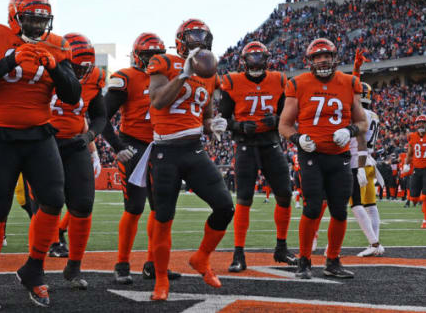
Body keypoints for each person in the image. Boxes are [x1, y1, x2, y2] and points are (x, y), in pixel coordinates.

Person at [0, 0, 81, 310]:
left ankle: (34, 268)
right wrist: (10, 60)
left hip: (39, 134)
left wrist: (55, 67)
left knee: (54, 200)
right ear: (15, 17)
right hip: (0, 135)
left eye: (42, 20)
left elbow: (72, 95)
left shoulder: (57, 44)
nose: (37, 26)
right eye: (31, 18)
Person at [145, 19, 234, 301]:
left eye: (202, 37)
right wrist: (182, 75)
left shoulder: (210, 73)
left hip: (194, 150)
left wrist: (212, 125)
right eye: (192, 37)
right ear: (181, 41)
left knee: (224, 206)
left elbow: (205, 112)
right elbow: (157, 101)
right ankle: (160, 279)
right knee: (164, 218)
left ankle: (202, 258)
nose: (198, 42)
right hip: (164, 152)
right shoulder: (163, 62)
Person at [279, 37, 367, 280]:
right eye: (317, 57)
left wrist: (349, 131)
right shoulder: (297, 83)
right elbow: (284, 125)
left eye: (326, 55)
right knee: (312, 207)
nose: (322, 60)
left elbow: (362, 121)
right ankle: (304, 260)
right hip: (312, 155)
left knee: (340, 210)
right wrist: (298, 139)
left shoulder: (350, 82)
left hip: (339, 157)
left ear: (334, 57)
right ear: (310, 61)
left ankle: (333, 260)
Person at [102, 32, 181, 284]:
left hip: (163, 146)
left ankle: (153, 264)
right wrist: (116, 146)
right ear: (137, 55)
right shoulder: (125, 78)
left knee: (161, 210)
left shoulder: (171, 76)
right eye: (147, 56)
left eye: (157, 56)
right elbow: (102, 116)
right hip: (133, 146)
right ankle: (122, 263)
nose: (151, 61)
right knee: (134, 207)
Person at [219, 41, 297, 273]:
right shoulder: (232, 81)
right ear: (244, 61)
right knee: (244, 199)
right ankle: (238, 253)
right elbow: (222, 120)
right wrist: (240, 126)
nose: (255, 62)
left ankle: (281, 247)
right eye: (251, 58)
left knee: (284, 193)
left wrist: (278, 120)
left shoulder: (279, 80)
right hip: (245, 145)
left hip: (271, 143)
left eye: (258, 57)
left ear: (266, 58)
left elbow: (289, 113)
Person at [48, 33, 106, 290]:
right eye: (75, 67)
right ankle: (35, 268)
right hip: (43, 142)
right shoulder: (45, 68)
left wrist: (90, 138)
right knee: (48, 206)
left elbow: (100, 115)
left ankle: (74, 265)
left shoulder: (94, 78)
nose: (81, 72)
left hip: (75, 142)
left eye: (85, 68)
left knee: (83, 204)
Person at [350, 82, 384, 257]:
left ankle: (374, 242)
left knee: (354, 204)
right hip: (370, 161)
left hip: (358, 162)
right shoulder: (374, 115)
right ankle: (375, 243)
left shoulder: (358, 114)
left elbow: (359, 140)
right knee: (371, 205)